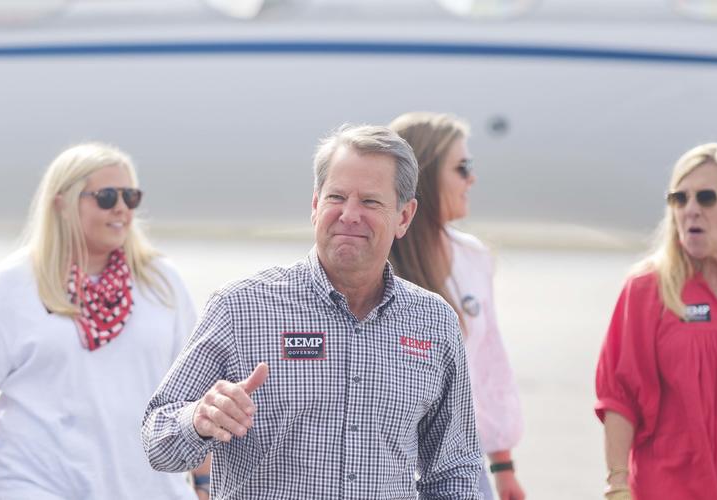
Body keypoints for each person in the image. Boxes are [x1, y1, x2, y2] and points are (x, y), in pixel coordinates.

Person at [143, 124, 483, 499]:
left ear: (404, 216)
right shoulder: (240, 308)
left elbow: (454, 469)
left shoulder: (433, 321)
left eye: (370, 202)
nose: (349, 214)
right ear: (314, 205)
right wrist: (200, 419)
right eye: (336, 197)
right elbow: (158, 439)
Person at [0, 142, 208, 500]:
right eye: (105, 197)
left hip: (148, 488)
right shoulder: (11, 284)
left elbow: (195, 396)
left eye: (130, 197)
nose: (120, 208)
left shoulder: (162, 283)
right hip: (32, 486)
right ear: (62, 202)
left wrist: (204, 484)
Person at [388, 112, 525, 500]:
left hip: (461, 465)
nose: (472, 179)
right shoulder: (373, 261)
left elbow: (489, 366)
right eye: (462, 168)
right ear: (426, 177)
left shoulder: (474, 257)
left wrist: (503, 465)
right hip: (386, 466)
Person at [595, 143, 717, 500]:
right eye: (679, 198)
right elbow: (619, 396)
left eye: (705, 198)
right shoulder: (647, 288)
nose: (690, 211)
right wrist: (618, 484)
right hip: (670, 486)